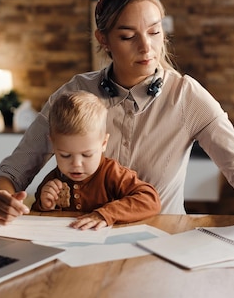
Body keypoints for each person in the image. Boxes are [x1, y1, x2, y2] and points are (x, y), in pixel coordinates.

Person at [0, 0, 234, 226]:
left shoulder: (187, 96)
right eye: (128, 36)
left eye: (155, 31)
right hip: (84, 241)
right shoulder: (73, 93)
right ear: (103, 40)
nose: (147, 48)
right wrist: (3, 198)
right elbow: (13, 172)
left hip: (164, 243)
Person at [33, 91, 161, 230]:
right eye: (65, 155)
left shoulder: (112, 173)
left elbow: (150, 200)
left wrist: (105, 214)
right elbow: (38, 218)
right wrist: (46, 205)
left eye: (87, 155)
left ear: (103, 143)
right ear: (53, 145)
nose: (76, 164)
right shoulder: (54, 179)